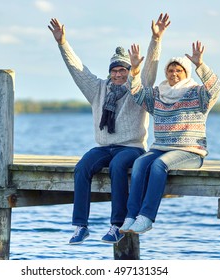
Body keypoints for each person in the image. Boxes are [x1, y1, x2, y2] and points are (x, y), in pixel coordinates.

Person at [47, 15, 170, 245]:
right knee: (82, 166)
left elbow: (149, 71)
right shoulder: (98, 89)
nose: (118, 74)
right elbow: (78, 69)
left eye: (122, 70)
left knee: (117, 166)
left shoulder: (136, 89)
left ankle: (117, 225)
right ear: (110, 72)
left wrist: (156, 38)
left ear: (128, 70)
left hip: (132, 148)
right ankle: (81, 226)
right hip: (104, 146)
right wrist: (62, 43)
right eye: (114, 70)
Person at [119, 39, 220, 235]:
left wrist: (200, 64)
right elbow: (136, 93)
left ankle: (146, 217)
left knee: (159, 165)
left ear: (186, 73)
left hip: (190, 151)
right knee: (141, 163)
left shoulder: (197, 93)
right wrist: (134, 70)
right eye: (170, 71)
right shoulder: (158, 94)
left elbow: (215, 88)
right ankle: (131, 216)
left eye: (178, 71)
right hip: (161, 147)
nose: (174, 74)